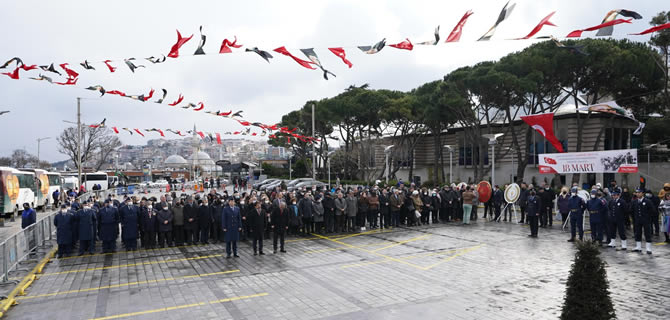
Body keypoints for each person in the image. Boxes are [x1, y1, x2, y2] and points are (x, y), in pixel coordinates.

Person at [631, 188, 654, 254]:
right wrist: (634, 218)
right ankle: (638, 247)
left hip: (646, 220)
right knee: (638, 233)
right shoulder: (634, 201)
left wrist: (648, 218)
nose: (638, 194)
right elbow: (631, 210)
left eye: (639, 192)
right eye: (637, 192)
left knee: (647, 233)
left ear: (642, 193)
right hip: (637, 220)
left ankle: (648, 248)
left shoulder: (647, 201)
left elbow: (652, 210)